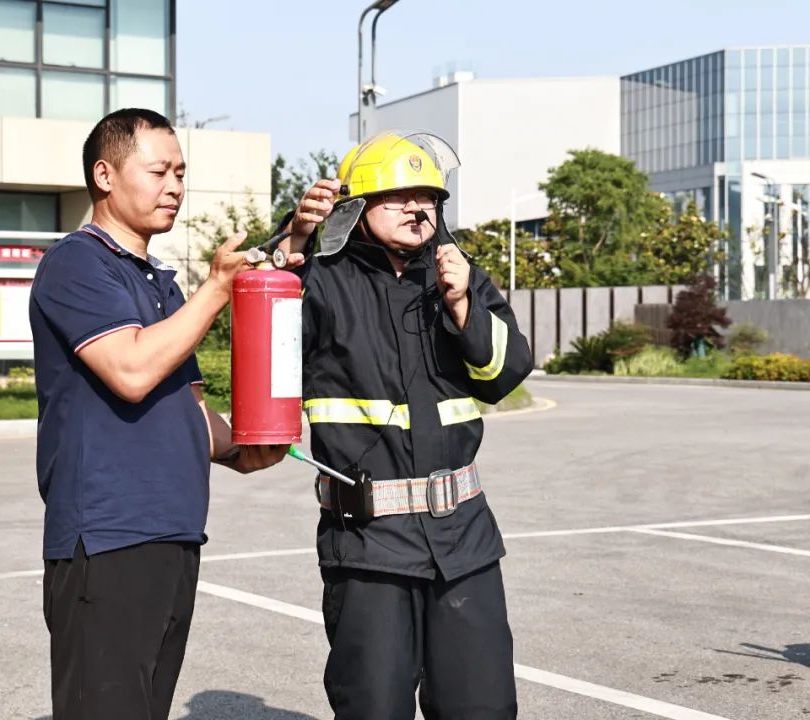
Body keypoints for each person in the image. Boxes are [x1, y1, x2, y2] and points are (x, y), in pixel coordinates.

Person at [29, 107, 294, 720]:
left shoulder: (160, 282)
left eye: (181, 172)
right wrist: (217, 291)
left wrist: (244, 446)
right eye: (158, 171)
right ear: (104, 175)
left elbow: (190, 410)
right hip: (108, 537)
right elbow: (131, 370)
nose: (175, 185)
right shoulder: (77, 262)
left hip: (173, 532)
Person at [281, 130, 533, 719]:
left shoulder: (460, 278)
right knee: (373, 707)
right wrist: (291, 240)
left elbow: (505, 371)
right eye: (399, 195)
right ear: (356, 207)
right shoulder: (321, 280)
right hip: (368, 546)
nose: (419, 208)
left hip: (464, 540)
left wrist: (463, 305)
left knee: (483, 708)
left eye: (430, 197)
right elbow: (263, 322)